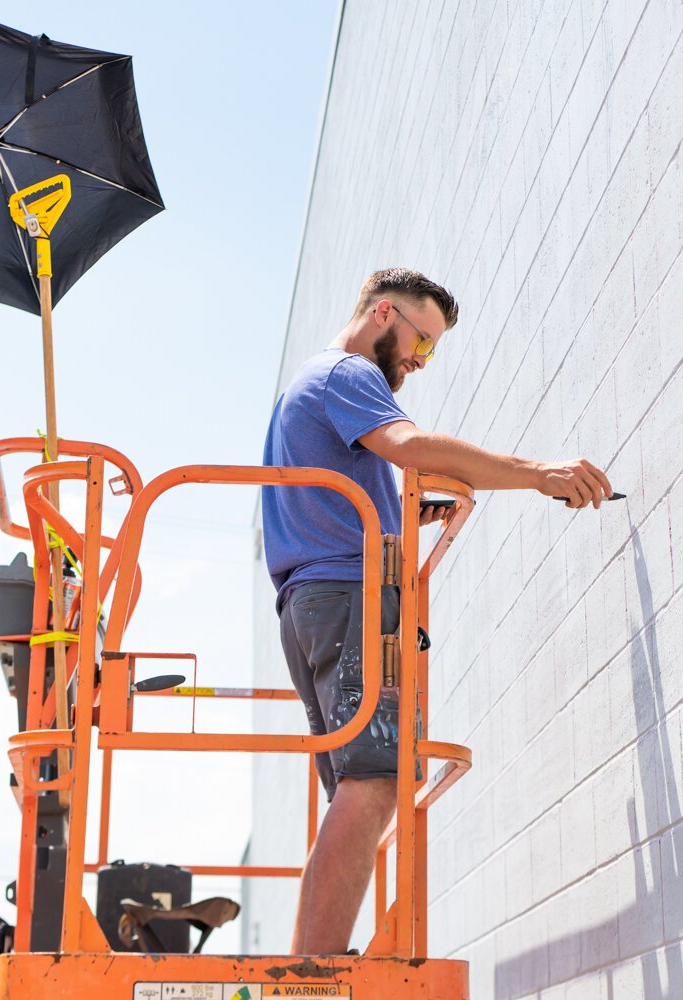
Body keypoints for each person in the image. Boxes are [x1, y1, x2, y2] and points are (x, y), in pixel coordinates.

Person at [261, 268, 612, 954]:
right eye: (422, 340)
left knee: (361, 787)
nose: (421, 360)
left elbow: (328, 503)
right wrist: (537, 474)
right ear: (384, 313)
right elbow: (410, 447)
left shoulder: (308, 384)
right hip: (348, 599)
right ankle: (316, 972)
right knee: (378, 778)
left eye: (433, 351)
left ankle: (313, 961)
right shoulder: (348, 373)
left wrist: (404, 514)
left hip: (314, 600)